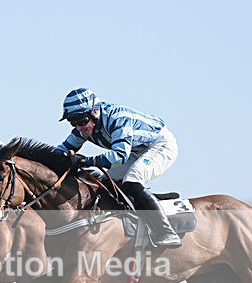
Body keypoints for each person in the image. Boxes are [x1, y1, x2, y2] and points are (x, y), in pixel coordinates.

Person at [56, 88, 182, 248]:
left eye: (81, 121)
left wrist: (85, 161)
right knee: (105, 181)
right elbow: (61, 150)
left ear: (95, 112)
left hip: (160, 145)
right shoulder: (84, 128)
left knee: (133, 179)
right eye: (73, 122)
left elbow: (120, 156)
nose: (79, 127)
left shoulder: (117, 119)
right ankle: (145, 203)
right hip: (136, 150)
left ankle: (167, 232)